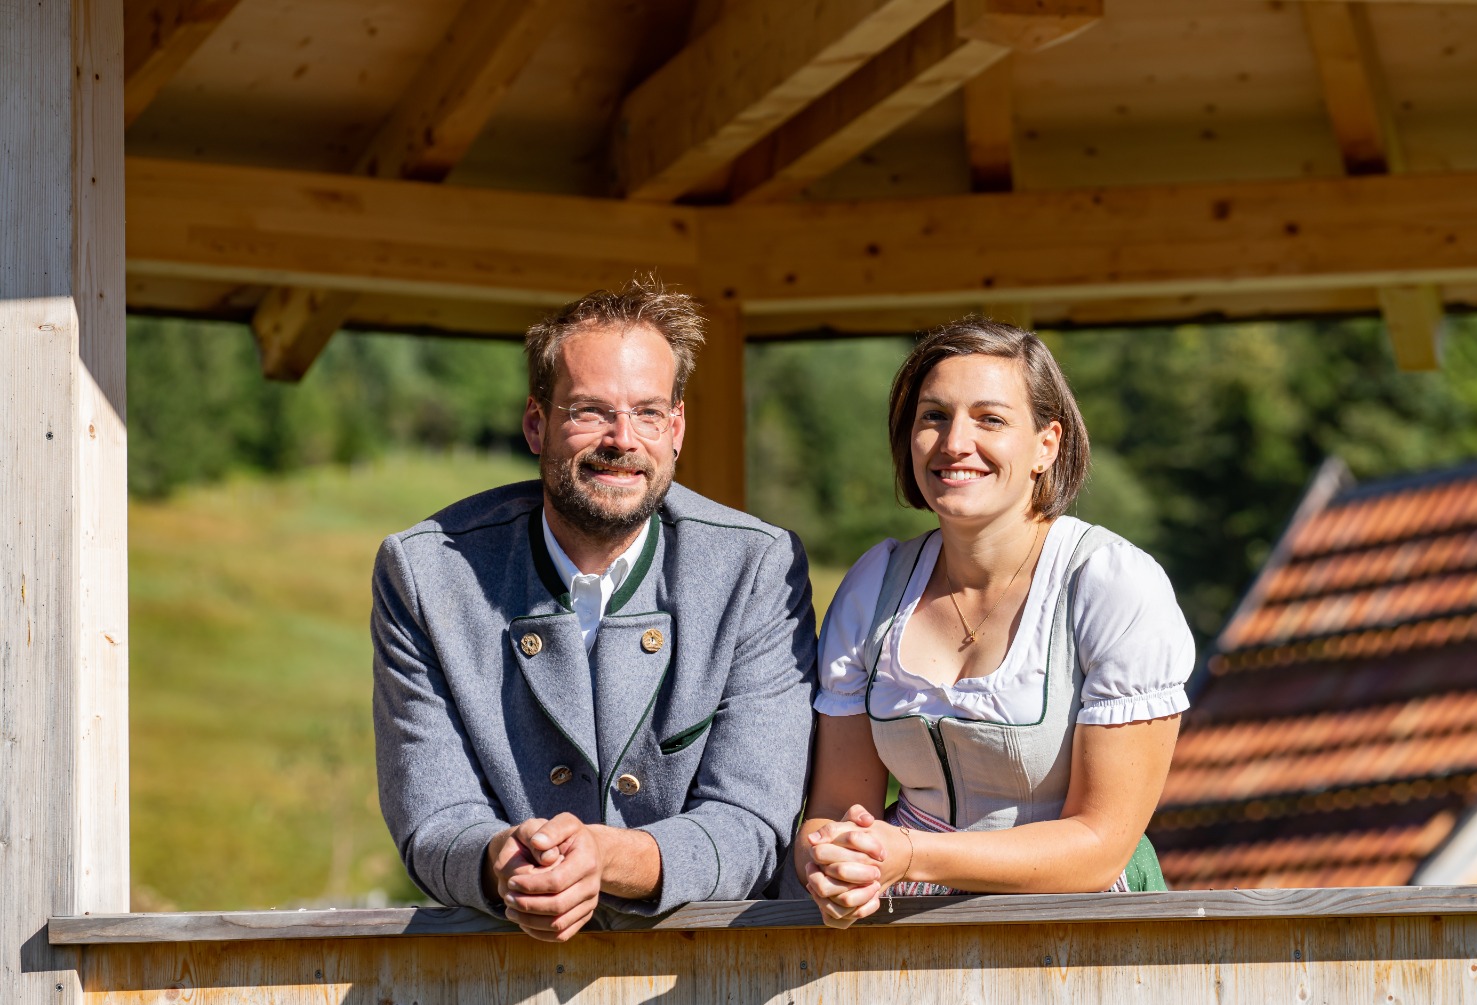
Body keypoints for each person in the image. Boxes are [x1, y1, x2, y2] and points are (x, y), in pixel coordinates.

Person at [372, 278, 816, 941]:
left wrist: (605, 860)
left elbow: (752, 820)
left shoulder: (757, 568)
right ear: (535, 424)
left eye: (648, 413)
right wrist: (509, 865)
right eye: (589, 411)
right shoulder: (425, 574)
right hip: (492, 981)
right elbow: (433, 814)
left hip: (712, 980)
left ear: (678, 429)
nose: (621, 439)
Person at [796, 319, 1194, 928]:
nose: (955, 442)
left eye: (990, 419)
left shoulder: (1111, 583)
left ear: (1046, 444)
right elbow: (832, 809)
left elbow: (1100, 844)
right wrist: (831, 864)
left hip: (1082, 931)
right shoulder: (874, 585)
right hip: (903, 927)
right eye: (933, 416)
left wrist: (910, 855)